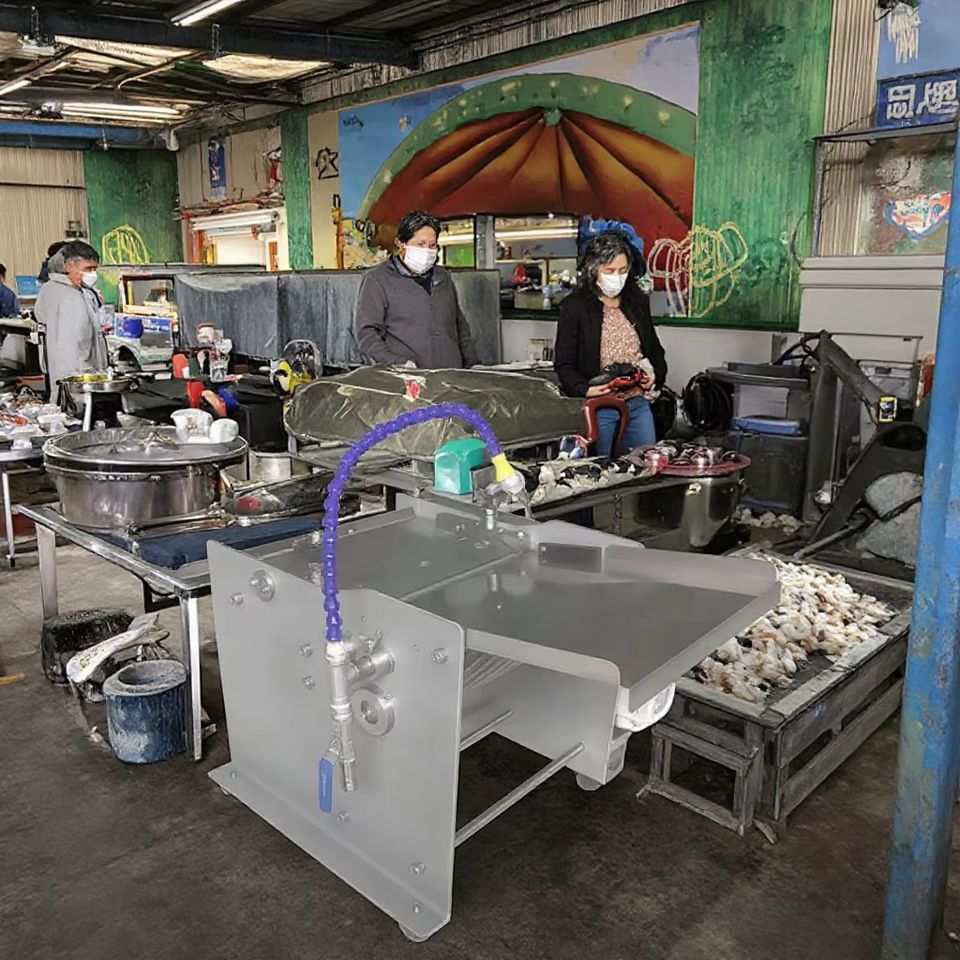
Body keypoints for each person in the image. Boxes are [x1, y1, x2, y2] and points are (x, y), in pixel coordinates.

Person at [554, 230, 667, 457]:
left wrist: (654, 375)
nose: (617, 277)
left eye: (623, 271)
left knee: (644, 462)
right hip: (599, 406)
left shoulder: (636, 302)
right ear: (594, 269)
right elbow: (564, 363)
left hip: (637, 402)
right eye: (610, 271)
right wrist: (585, 389)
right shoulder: (574, 307)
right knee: (600, 466)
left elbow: (654, 350)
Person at [355, 210, 479, 369]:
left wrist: (472, 364)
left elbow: (459, 326)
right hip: (407, 377)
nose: (427, 251)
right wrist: (396, 362)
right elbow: (367, 334)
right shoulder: (377, 280)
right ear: (401, 243)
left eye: (432, 245)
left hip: (450, 373)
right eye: (420, 244)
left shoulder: (443, 277)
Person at [34, 240, 108, 395]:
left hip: (61, 372)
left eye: (94, 269)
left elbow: (40, 315)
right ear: (69, 266)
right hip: (79, 377)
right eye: (88, 269)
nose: (92, 274)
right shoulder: (71, 296)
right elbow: (79, 344)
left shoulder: (50, 289)